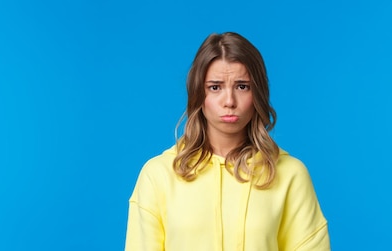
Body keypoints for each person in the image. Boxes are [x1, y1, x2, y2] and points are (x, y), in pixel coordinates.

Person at [124, 32, 330, 251]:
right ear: (198, 94)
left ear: (257, 93)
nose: (229, 101)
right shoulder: (158, 175)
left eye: (242, 86)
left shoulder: (291, 174)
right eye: (215, 87)